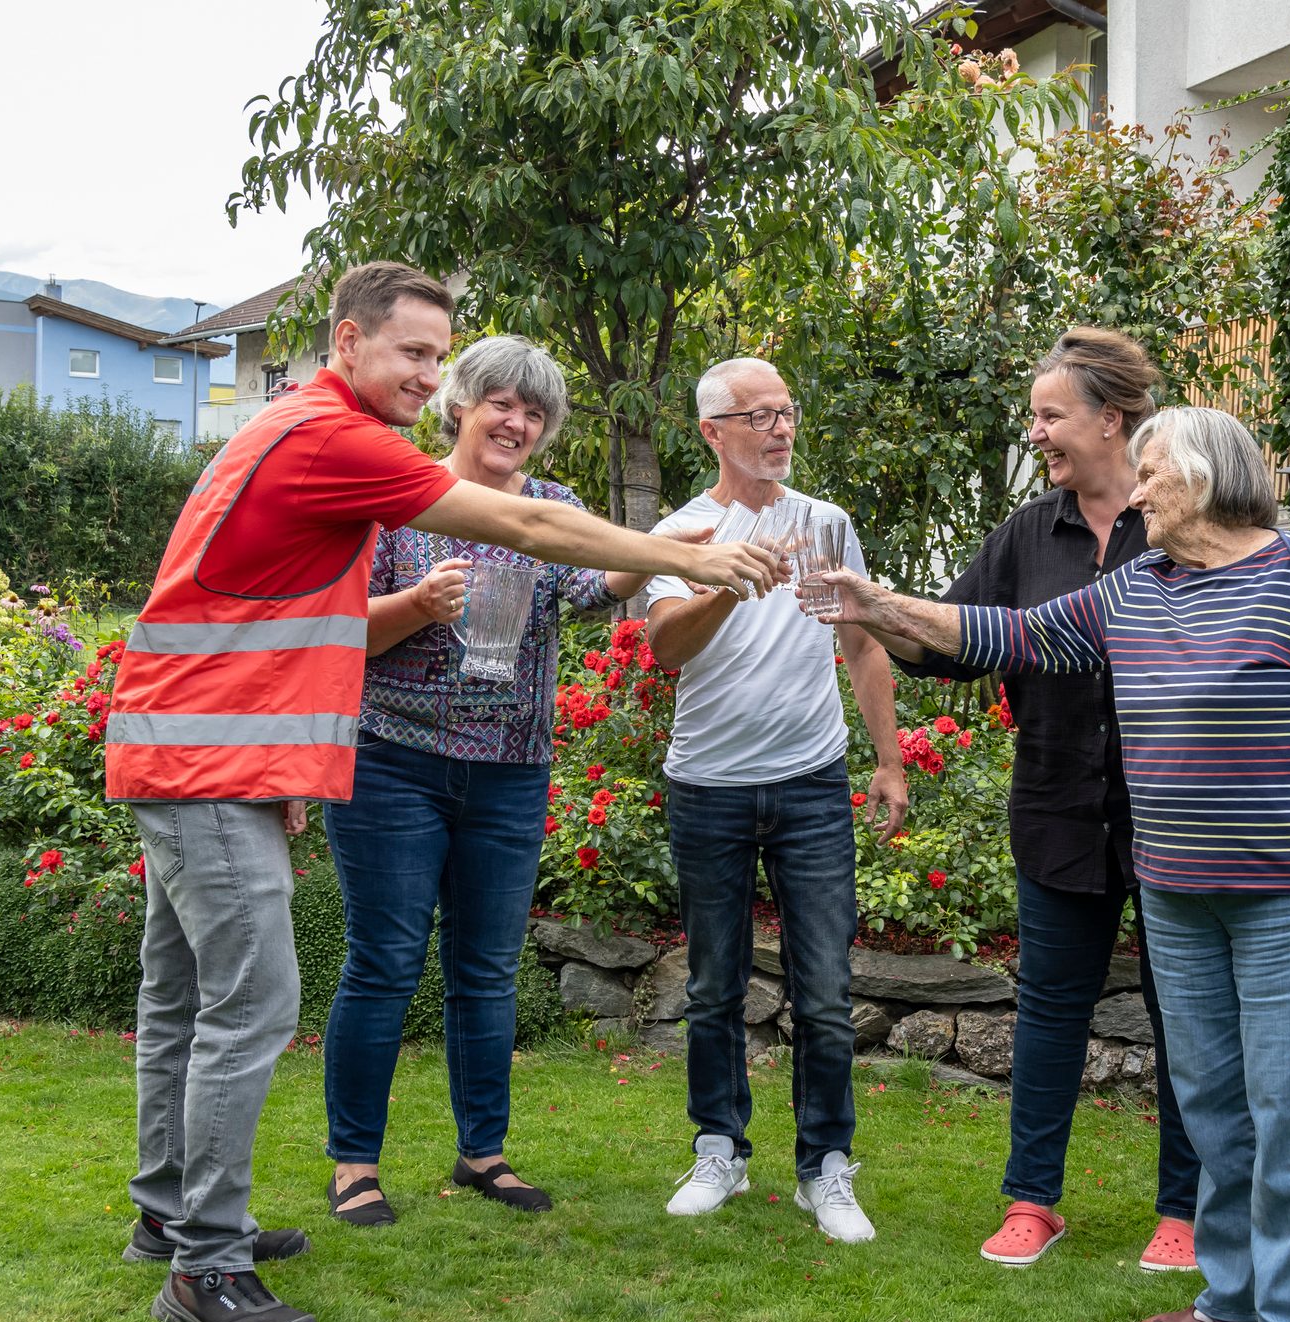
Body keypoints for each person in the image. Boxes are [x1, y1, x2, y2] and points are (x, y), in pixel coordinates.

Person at [108, 263, 780, 1322]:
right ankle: (206, 1268)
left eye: (437, 353)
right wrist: (676, 548)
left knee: (185, 998)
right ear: (347, 343)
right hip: (203, 752)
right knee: (251, 1007)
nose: (431, 375)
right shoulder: (331, 435)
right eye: (414, 354)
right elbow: (530, 533)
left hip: (203, 742)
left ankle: (170, 1212)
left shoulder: (304, 428)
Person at [806, 405, 1290, 1322]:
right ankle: (1233, 1293)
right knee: (1212, 1103)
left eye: (1153, 475)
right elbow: (1010, 634)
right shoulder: (1138, 588)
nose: (1136, 495)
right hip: (1176, 891)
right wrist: (879, 605)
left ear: (1210, 478)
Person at [873, 328, 1201, 1270]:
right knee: (1052, 1009)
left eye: (1051, 415)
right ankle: (1031, 1203)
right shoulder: (1028, 532)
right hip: (1057, 805)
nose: (1039, 434)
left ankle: (1183, 1212)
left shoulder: (1179, 519)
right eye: (1035, 417)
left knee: (1184, 1014)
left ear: (1112, 420)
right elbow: (959, 637)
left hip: (1175, 815)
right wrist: (880, 616)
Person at [320, 336, 660, 1226]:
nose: (518, 421)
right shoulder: (399, 498)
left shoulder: (553, 507)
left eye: (535, 411)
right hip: (393, 763)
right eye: (502, 402)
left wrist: (668, 550)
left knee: (487, 970)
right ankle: (355, 1163)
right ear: (460, 404)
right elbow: (341, 634)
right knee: (384, 964)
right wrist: (414, 605)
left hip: (511, 774)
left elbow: (598, 584)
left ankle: (485, 1155)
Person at [644, 357, 908, 1243]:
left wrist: (887, 759)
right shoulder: (682, 532)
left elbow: (865, 647)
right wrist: (731, 580)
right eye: (759, 416)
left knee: (826, 987)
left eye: (788, 412)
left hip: (810, 784)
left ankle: (825, 1169)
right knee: (716, 983)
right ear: (713, 431)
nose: (781, 429)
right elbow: (665, 649)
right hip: (709, 786)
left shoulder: (827, 524)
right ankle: (720, 1147)